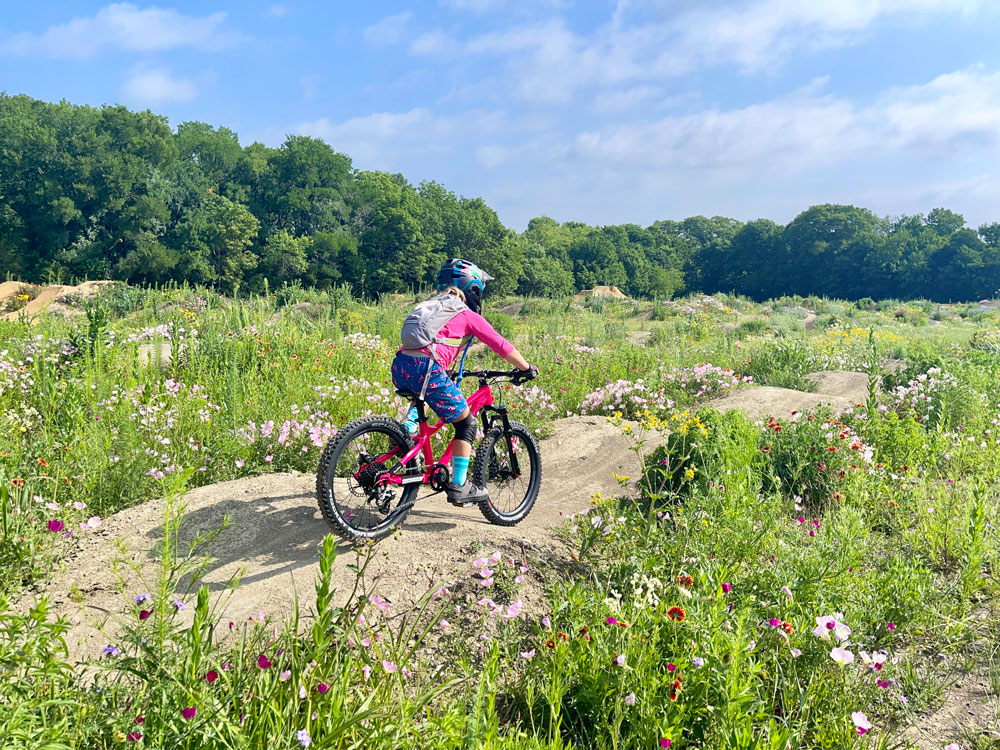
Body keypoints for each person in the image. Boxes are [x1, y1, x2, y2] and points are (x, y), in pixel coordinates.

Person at [391, 258, 536, 505]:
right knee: (466, 424)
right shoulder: (465, 313)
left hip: (402, 365)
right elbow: (499, 344)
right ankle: (459, 486)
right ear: (474, 289)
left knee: (426, 393)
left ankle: (407, 430)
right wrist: (525, 368)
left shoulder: (431, 305)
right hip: (427, 368)